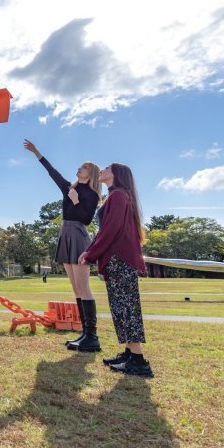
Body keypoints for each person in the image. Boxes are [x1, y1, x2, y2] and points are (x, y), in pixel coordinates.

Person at [23, 139, 102, 352]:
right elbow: (52, 172)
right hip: (64, 234)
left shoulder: (92, 194)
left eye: (84, 167)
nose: (79, 168)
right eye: (80, 166)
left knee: (84, 288)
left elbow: (86, 219)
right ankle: (85, 334)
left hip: (78, 234)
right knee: (75, 288)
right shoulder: (69, 188)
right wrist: (37, 152)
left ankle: (92, 337)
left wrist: (76, 200)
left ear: (91, 173)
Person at [79, 163, 153, 378]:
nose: (102, 170)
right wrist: (92, 250)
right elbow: (105, 230)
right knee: (120, 307)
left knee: (127, 307)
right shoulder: (115, 196)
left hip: (120, 260)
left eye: (107, 168)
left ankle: (138, 361)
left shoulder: (119, 195)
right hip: (115, 260)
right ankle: (129, 353)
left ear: (117, 174)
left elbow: (110, 230)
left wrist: (90, 253)